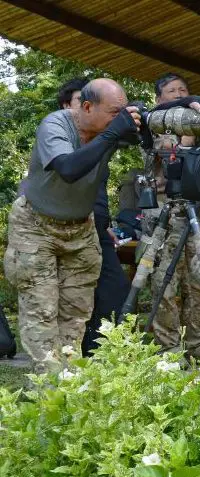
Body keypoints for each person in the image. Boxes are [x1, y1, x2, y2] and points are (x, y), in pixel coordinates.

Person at [4, 78, 140, 372]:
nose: (121, 120)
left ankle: (69, 383)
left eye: (123, 112)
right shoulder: (55, 125)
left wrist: (190, 104)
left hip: (80, 229)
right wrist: (113, 133)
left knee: (76, 313)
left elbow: (153, 120)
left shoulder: (108, 128)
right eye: (115, 113)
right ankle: (50, 392)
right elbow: (68, 168)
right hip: (36, 226)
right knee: (42, 312)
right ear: (87, 107)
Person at [141, 72, 200, 361]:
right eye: (173, 91)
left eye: (184, 90)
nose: (179, 95)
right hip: (163, 218)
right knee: (164, 286)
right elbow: (172, 156)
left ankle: (198, 348)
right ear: (159, 99)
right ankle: (170, 352)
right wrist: (189, 136)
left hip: (194, 219)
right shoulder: (152, 126)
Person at [52, 77, 132, 356]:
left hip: (95, 227)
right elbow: (70, 170)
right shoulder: (58, 135)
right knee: (64, 297)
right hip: (56, 230)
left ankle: (98, 354)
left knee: (115, 288)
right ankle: (67, 358)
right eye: (78, 103)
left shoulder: (103, 136)